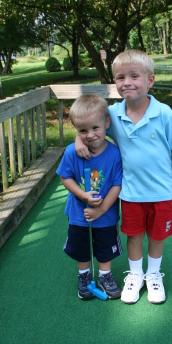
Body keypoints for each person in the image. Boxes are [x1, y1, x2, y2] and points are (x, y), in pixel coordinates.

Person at [75, 50, 172, 304]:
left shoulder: (164, 113)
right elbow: (89, 124)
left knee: (157, 237)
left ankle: (153, 275)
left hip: (161, 192)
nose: (127, 82)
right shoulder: (112, 114)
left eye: (134, 76)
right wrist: (77, 137)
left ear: (150, 80)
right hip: (131, 192)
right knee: (134, 236)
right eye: (120, 77)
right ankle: (135, 276)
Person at [56, 94, 123, 300]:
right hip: (79, 213)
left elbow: (117, 185)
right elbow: (65, 177)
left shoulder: (114, 154)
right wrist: (83, 195)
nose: (90, 135)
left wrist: (101, 209)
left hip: (106, 214)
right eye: (82, 131)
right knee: (82, 246)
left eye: (95, 128)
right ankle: (84, 276)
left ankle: (105, 275)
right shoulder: (71, 152)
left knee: (105, 246)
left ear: (107, 123)